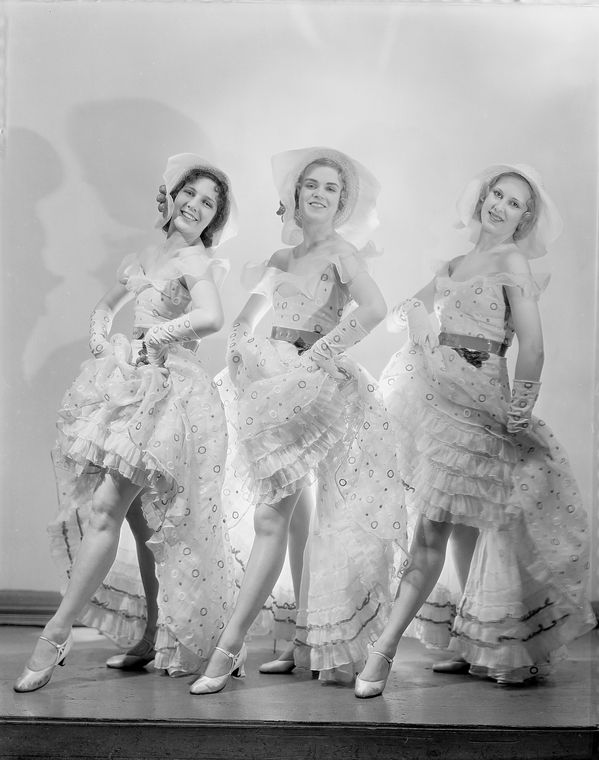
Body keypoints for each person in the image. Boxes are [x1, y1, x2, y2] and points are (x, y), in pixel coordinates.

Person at [354, 164, 596, 698]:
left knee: (437, 531)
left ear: (524, 218)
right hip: (438, 394)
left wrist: (522, 405)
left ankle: (383, 652)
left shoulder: (512, 260)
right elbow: (405, 312)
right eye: (497, 195)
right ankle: (471, 642)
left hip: (482, 397)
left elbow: (531, 344)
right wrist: (414, 316)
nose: (501, 207)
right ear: (482, 197)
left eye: (514, 204)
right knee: (452, 525)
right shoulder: (455, 264)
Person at [188, 146, 407, 695]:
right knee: (294, 511)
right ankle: (300, 639)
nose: (318, 193)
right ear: (294, 192)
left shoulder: (342, 253)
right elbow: (246, 320)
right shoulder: (282, 261)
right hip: (273, 384)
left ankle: (229, 645)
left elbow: (376, 310)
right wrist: (242, 351)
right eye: (311, 183)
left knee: (273, 517)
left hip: (317, 387)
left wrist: (320, 355)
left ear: (343, 202)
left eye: (331, 188)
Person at [14, 154, 237, 692]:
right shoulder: (146, 256)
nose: (195, 205)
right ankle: (152, 634)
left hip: (167, 394)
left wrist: (150, 341)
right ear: (172, 194)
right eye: (190, 193)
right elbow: (104, 307)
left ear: (213, 220)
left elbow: (211, 318)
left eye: (208, 203)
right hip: (130, 387)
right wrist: (102, 342)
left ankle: (56, 633)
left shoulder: (197, 263)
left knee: (107, 510)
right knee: (137, 523)